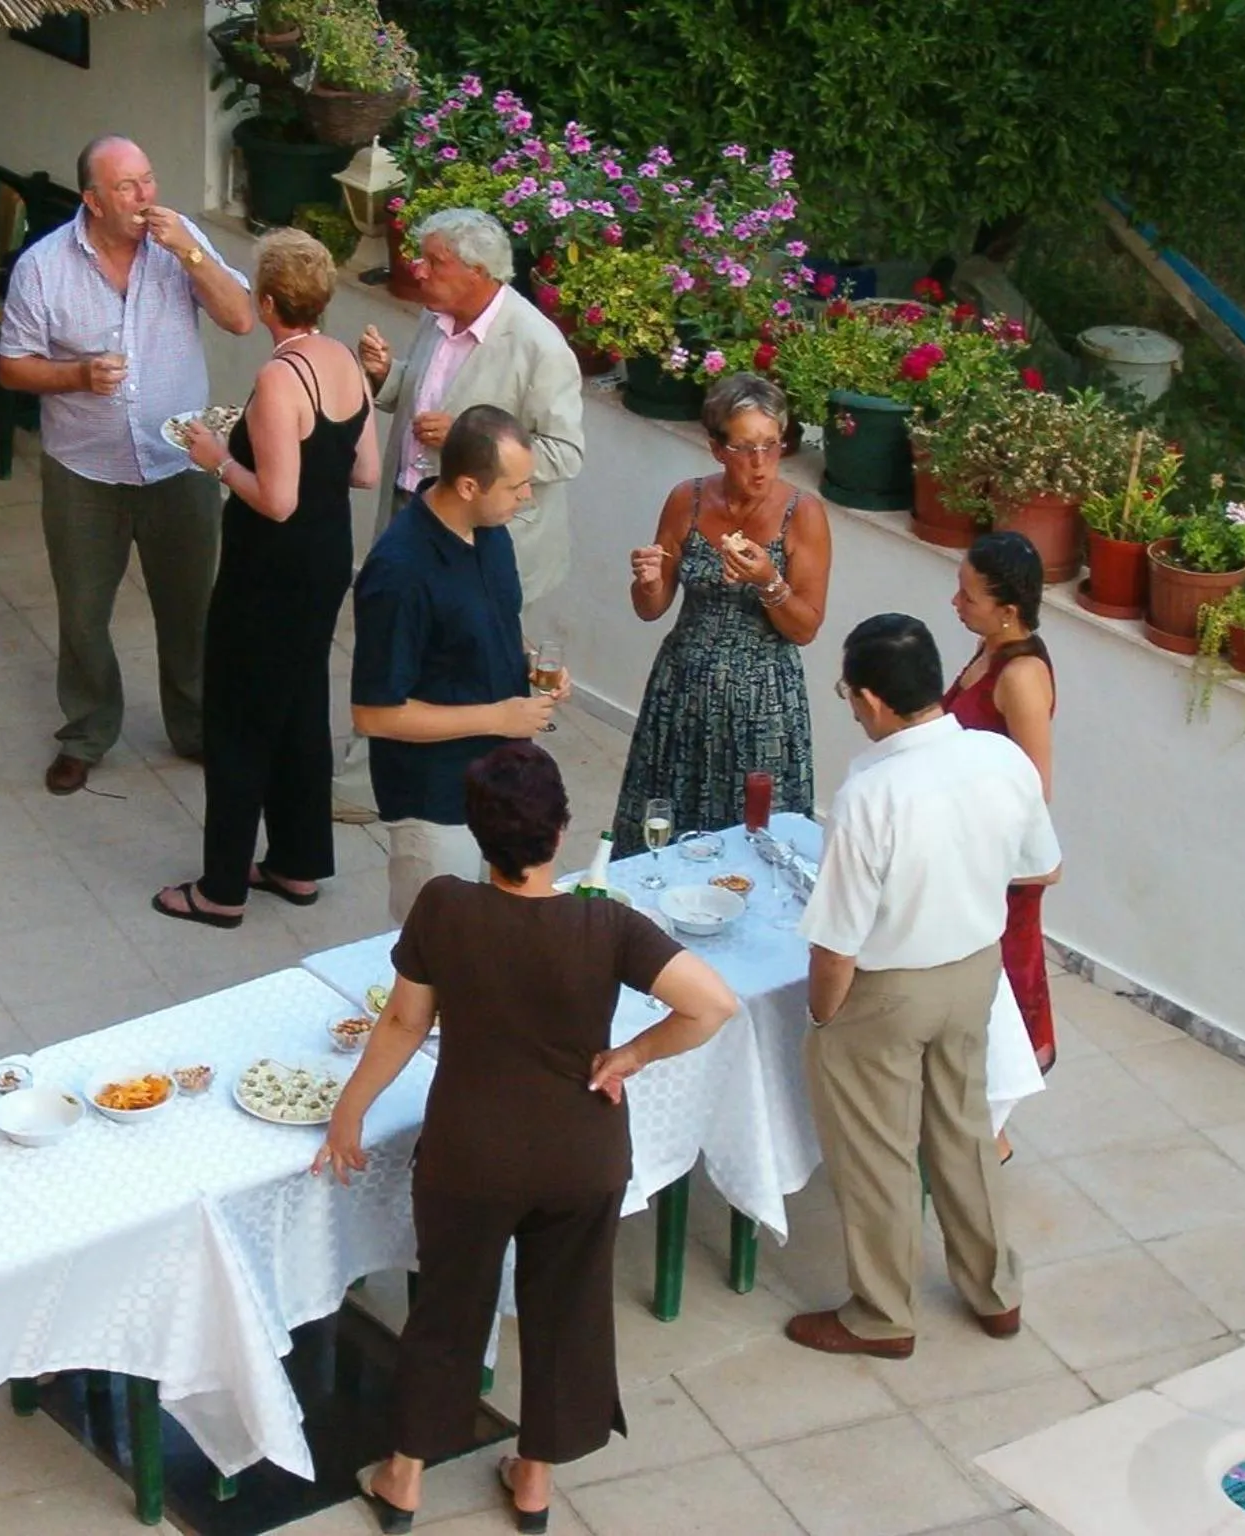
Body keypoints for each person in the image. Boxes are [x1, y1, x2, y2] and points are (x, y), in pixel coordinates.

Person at [315, 742, 739, 1533]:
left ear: (479, 835)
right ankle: (535, 1478)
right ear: (561, 828)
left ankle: (405, 1475)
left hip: (470, 1154)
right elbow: (712, 1003)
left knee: (449, 1307)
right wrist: (631, 1055)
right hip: (582, 1154)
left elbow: (406, 1020)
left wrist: (350, 1110)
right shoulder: (604, 921)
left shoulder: (446, 906)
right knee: (566, 1308)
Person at [790, 614, 1062, 1359]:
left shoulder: (870, 791)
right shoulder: (1000, 760)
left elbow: (838, 941)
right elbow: (1040, 865)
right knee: (965, 1132)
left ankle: (882, 1315)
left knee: (877, 1152)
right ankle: (994, 1292)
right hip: (975, 970)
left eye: (850, 692)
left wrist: (823, 1018)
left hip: (891, 987)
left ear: (872, 701)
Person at [0, 134, 255, 797]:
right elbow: (11, 367)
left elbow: (240, 318)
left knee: (191, 609)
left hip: (181, 463)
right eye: (128, 187)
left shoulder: (179, 244)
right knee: (83, 613)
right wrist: (78, 374)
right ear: (92, 200)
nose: (146, 197)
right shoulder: (43, 267)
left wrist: (191, 253)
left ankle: (196, 729)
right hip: (85, 470)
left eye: (148, 180)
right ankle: (86, 733)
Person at [152, 230, 381, 927]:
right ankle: (296, 861)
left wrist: (214, 457)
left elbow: (275, 500)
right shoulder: (341, 360)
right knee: (302, 706)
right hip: (325, 559)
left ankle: (221, 887)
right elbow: (364, 470)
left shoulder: (281, 379)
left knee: (240, 719)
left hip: (269, 574)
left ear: (270, 301)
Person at [336, 207, 585, 824]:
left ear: (477, 272)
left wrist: (466, 439)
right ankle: (379, 778)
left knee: (458, 661)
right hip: (415, 510)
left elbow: (566, 452)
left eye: (435, 261)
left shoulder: (539, 346)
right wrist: (383, 376)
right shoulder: (437, 316)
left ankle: (453, 784)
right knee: (399, 646)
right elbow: (418, 393)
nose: (418, 270)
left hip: (490, 533)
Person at [349, 406, 568, 923]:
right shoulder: (399, 573)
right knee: (434, 952)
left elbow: (494, 619)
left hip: (502, 783)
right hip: (435, 803)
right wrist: (499, 716)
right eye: (516, 487)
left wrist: (534, 663)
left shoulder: (491, 530)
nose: (527, 497)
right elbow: (374, 714)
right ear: (469, 485)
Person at [612, 373, 831, 853]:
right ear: (716, 448)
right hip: (683, 688)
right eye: (745, 448)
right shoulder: (686, 500)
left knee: (752, 842)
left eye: (772, 446)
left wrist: (768, 581)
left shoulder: (803, 514)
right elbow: (652, 608)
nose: (761, 464)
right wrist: (646, 581)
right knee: (666, 832)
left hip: (763, 701)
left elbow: (806, 626)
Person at [946, 530, 1058, 1102]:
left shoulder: (1019, 677)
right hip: (964, 850)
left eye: (968, 596)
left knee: (1002, 989)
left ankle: (994, 1135)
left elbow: (1035, 789)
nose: (956, 603)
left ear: (1008, 610)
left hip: (997, 868)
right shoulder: (989, 648)